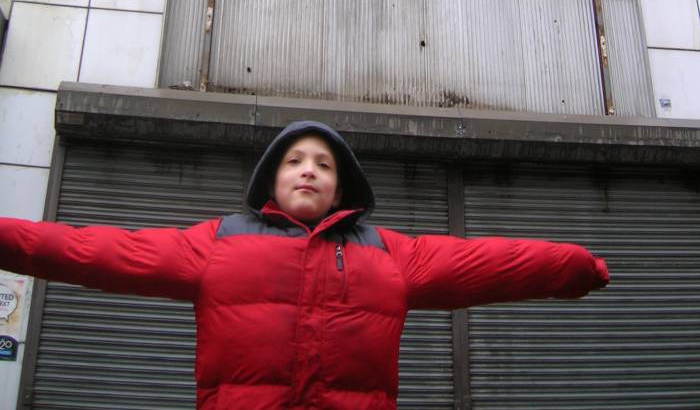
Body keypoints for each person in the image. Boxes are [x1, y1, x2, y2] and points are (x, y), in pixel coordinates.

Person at [0, 120, 609, 409]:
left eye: (323, 162)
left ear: (341, 188)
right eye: (295, 160)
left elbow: (492, 262)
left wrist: (578, 268)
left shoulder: (389, 253)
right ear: (274, 177)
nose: (309, 169)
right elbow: (90, 250)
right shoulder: (220, 241)